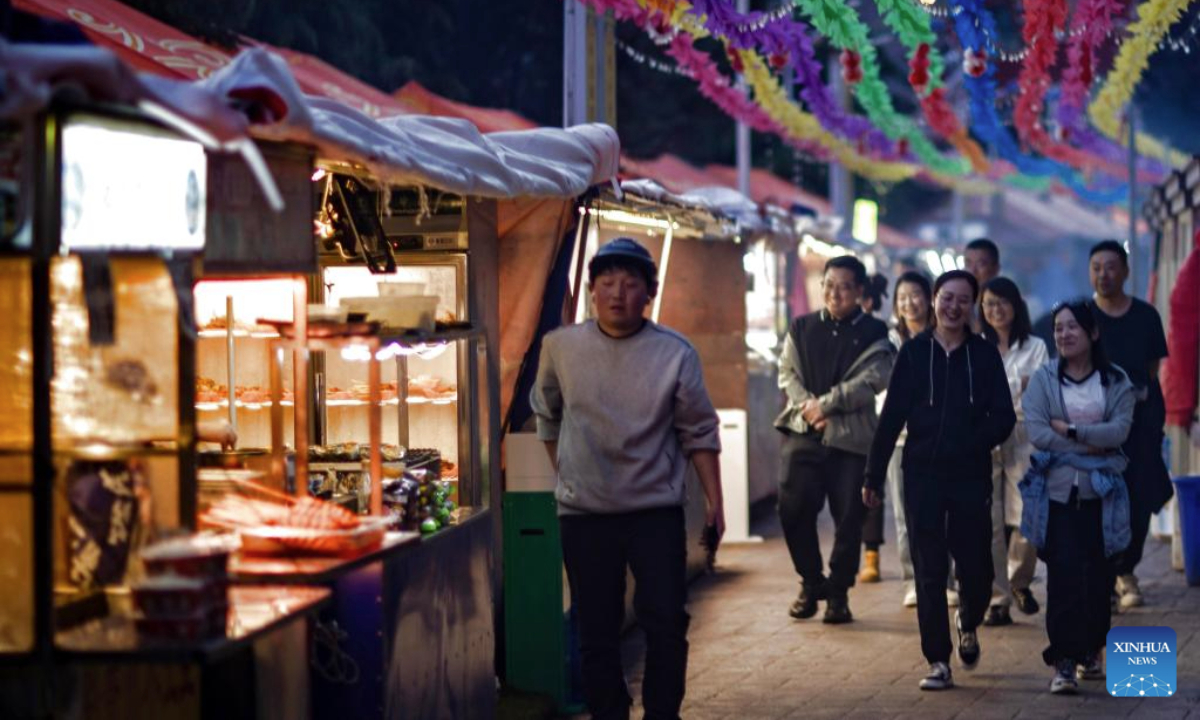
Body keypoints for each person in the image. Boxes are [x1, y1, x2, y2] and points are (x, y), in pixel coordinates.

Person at [530, 237, 724, 720]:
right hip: (585, 516)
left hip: (654, 513)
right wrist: (571, 474)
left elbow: (699, 430)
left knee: (666, 623)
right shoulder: (560, 346)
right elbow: (547, 414)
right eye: (607, 283)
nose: (617, 293)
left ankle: (663, 713)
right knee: (596, 629)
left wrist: (716, 503)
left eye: (630, 284)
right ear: (592, 290)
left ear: (649, 293)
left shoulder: (675, 352)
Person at [864, 270, 1016, 691]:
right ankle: (937, 660)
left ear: (972, 307)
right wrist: (873, 475)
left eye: (963, 300)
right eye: (947, 298)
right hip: (922, 475)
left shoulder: (984, 356)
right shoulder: (913, 354)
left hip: (970, 475)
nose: (953, 307)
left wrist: (974, 441)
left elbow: (1002, 416)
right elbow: (891, 416)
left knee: (978, 568)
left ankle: (968, 620)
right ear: (934, 300)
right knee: (929, 570)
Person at [1019, 299, 1134, 694]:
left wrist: (1070, 433)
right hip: (1056, 495)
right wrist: (1091, 445)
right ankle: (1063, 660)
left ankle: (1092, 649)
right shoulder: (1044, 379)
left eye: (1073, 327)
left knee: (1099, 580)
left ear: (1093, 333)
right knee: (1063, 577)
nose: (1064, 335)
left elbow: (1119, 432)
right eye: (1058, 328)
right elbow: (1037, 431)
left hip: (1103, 495)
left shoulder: (1115, 380)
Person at [775, 255, 893, 624]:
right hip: (805, 433)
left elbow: (874, 380)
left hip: (852, 440)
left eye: (844, 286)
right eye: (828, 284)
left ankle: (839, 593)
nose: (834, 293)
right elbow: (786, 373)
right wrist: (807, 408)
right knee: (791, 508)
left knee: (849, 519)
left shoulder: (876, 332)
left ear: (860, 291)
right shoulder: (802, 326)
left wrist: (824, 405)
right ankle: (811, 582)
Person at [1087, 240, 1173, 609]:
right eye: (1096, 267)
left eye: (1110, 266)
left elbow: (1155, 366)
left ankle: (1126, 570)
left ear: (1124, 271)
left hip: (1141, 420)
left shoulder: (1145, 315)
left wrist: (1135, 396)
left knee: (1139, 496)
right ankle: (1103, 576)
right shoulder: (1083, 316)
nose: (1103, 274)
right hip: (1096, 424)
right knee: (1098, 497)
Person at [879, 271, 956, 607]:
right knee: (904, 516)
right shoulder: (887, 342)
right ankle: (913, 580)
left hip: (940, 437)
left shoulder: (944, 338)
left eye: (915, 295)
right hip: (900, 440)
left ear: (929, 298)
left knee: (945, 513)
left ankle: (947, 580)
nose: (909, 303)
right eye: (902, 298)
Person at [979, 277, 1049, 627]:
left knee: (1028, 514)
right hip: (986, 435)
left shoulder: (1035, 346)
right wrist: (1016, 385)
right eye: (989, 303)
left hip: (1025, 435)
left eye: (1002, 302)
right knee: (989, 520)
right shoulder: (976, 345)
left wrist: (1009, 387)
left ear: (1016, 305)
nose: (996, 309)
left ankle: (1020, 580)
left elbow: (1039, 390)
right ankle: (997, 597)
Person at [858, 272, 890, 583]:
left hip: (877, 418)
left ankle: (872, 554)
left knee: (872, 484)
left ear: (866, 300)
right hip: (845, 419)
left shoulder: (880, 331)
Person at [964, 238, 1001, 333]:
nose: (972, 271)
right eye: (968, 264)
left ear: (996, 268)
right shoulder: (959, 302)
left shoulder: (1006, 304)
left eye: (980, 264)